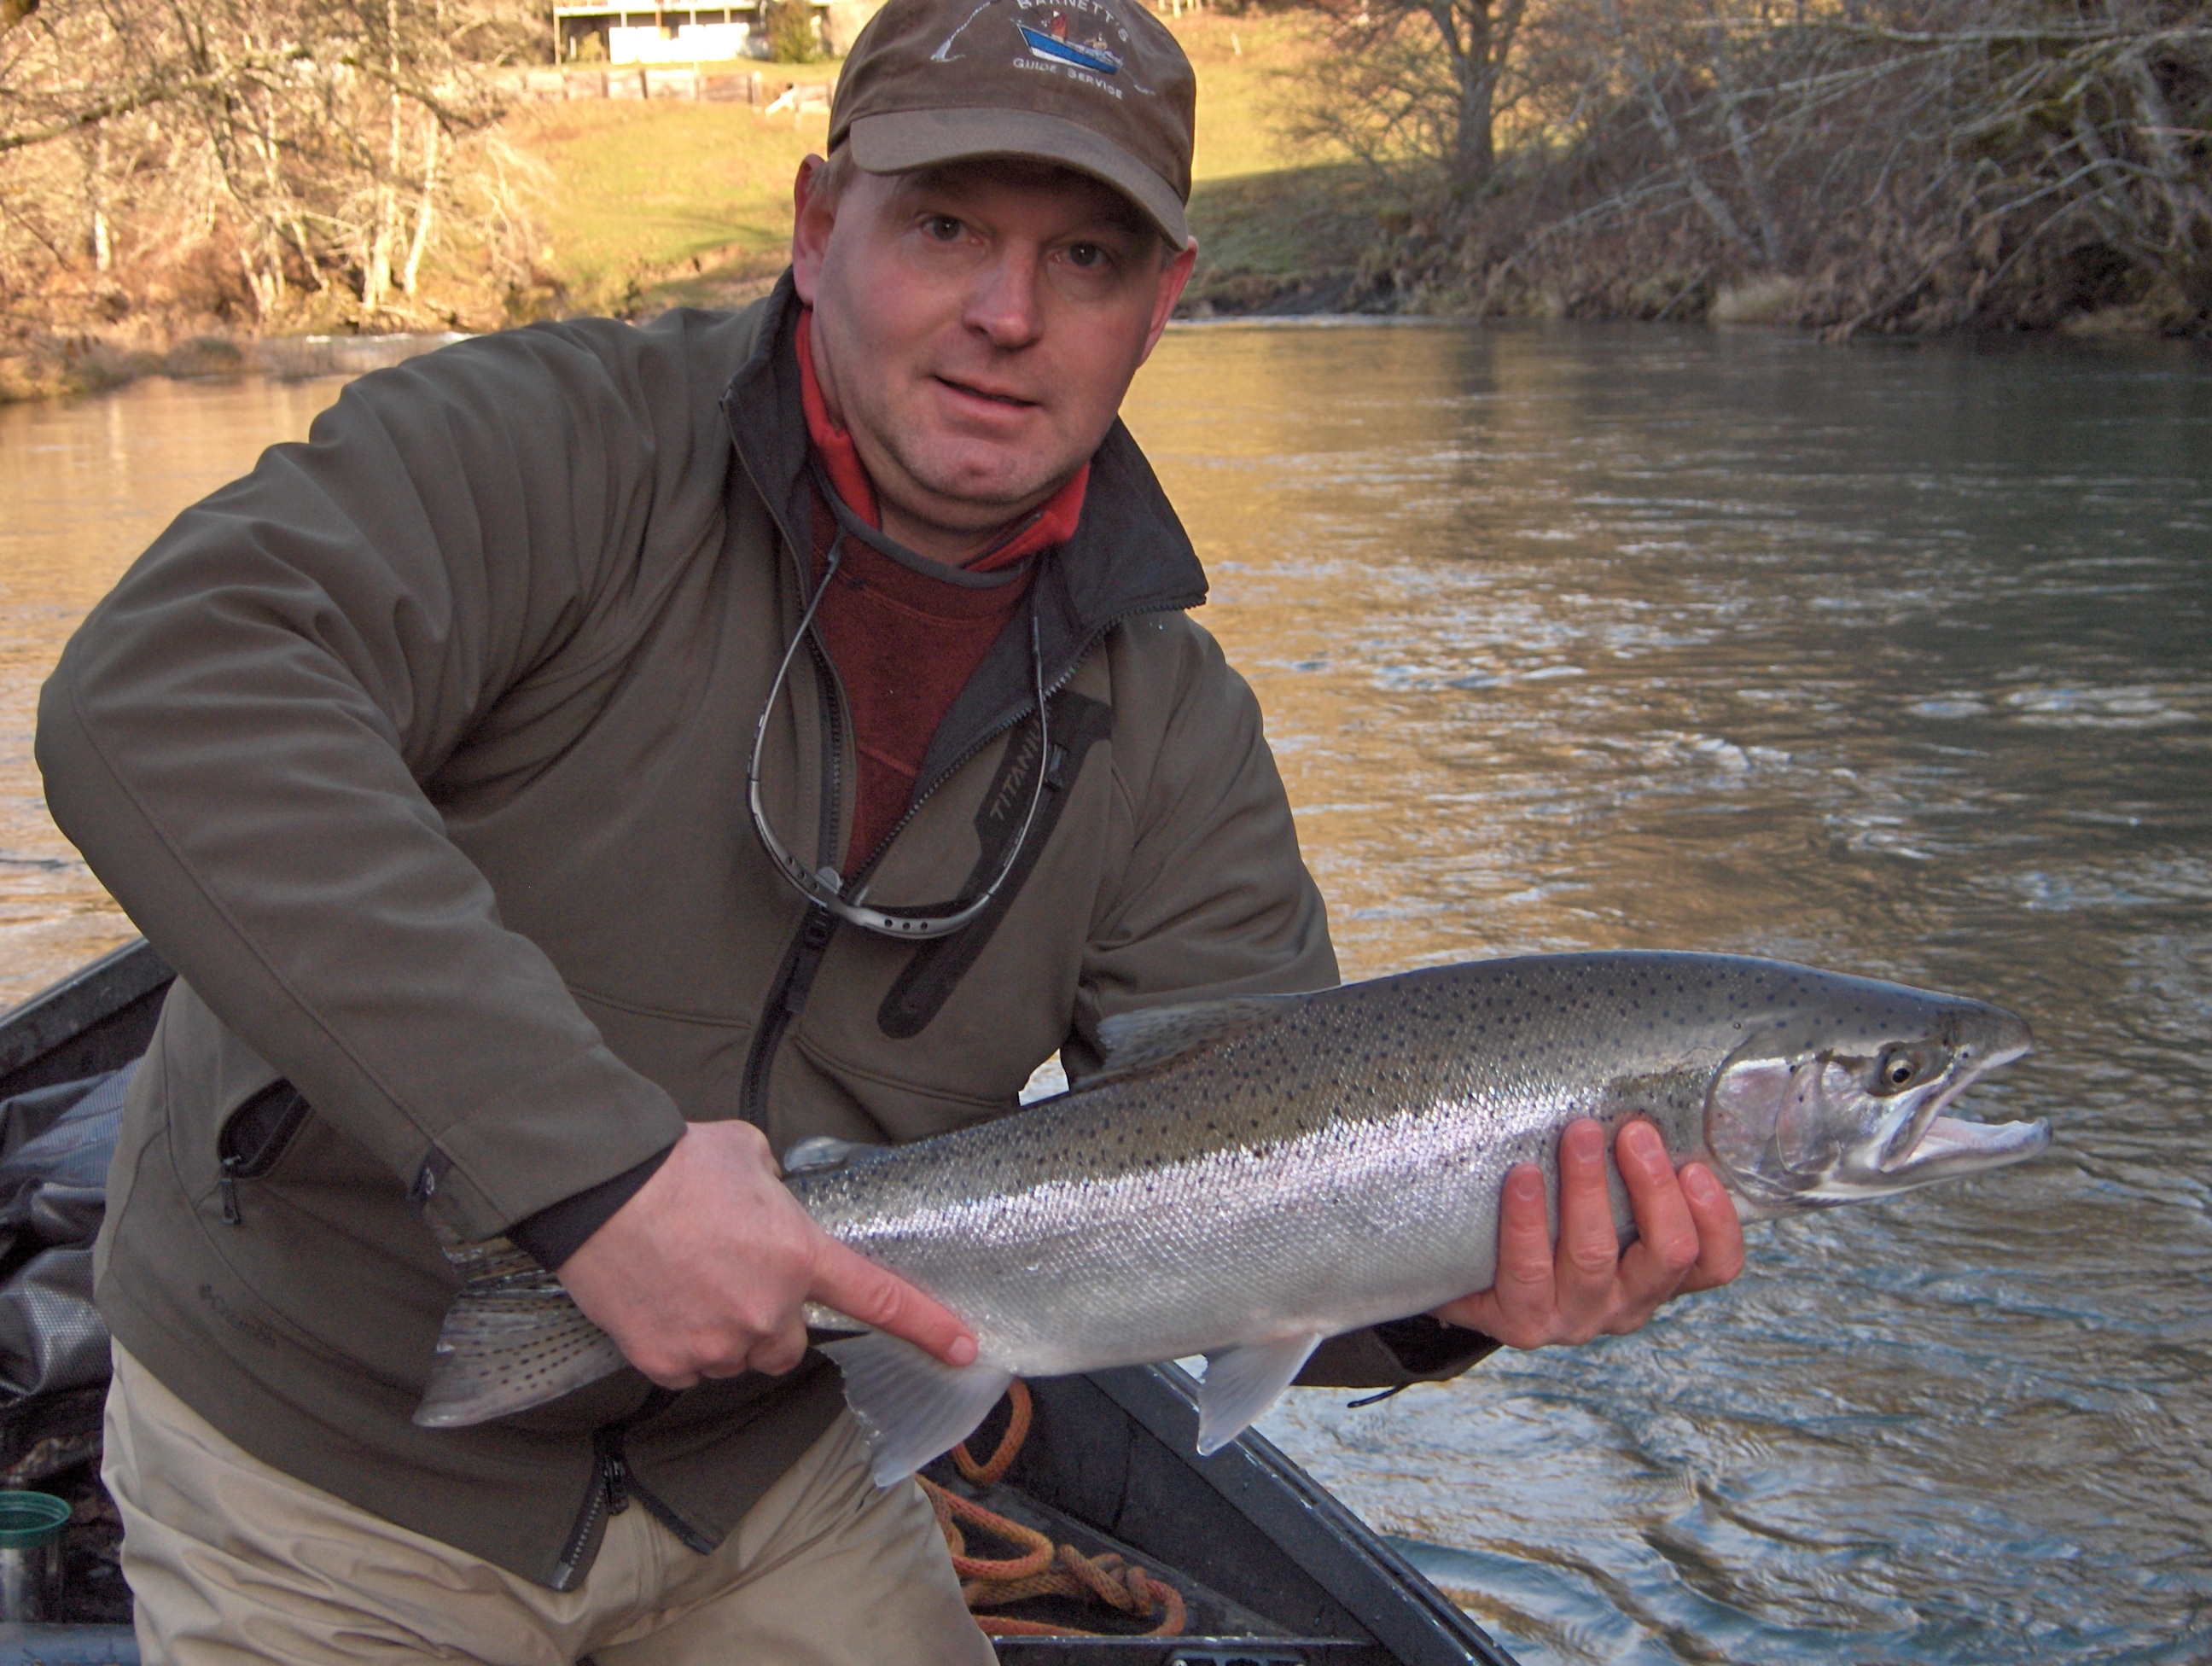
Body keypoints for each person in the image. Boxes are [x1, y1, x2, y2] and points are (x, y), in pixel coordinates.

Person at [36, 0, 1743, 1658]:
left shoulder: (1176, 726)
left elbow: (1264, 1193)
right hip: (326, 1452)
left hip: (770, 1474)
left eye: (1086, 258)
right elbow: (164, 697)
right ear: (816, 225)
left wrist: (1460, 1286)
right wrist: (587, 1174)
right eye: (945, 225)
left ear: (1163, 305)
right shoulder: (552, 445)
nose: (1010, 311)